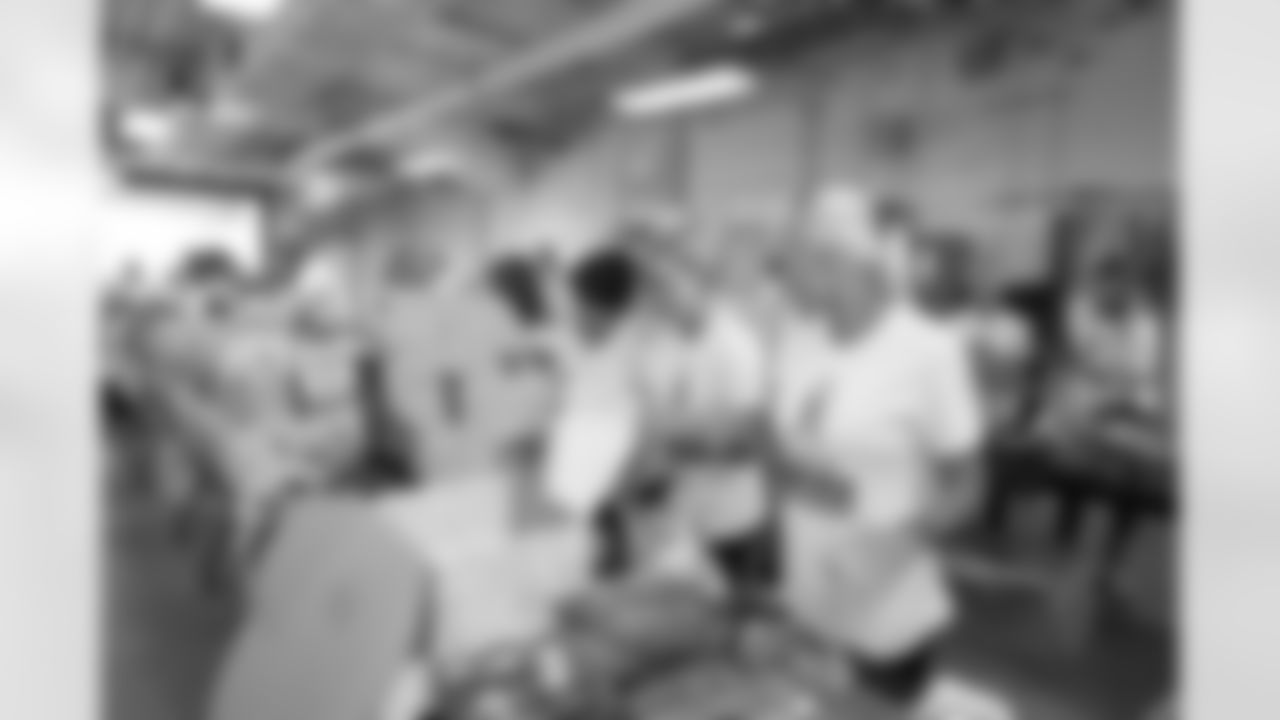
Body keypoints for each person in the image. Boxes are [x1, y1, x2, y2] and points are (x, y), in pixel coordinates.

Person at [763, 187, 1007, 720]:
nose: (780, 277)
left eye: (791, 263)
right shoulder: (796, 338)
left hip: (886, 618)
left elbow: (969, 487)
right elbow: (789, 443)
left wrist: (897, 537)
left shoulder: (927, 351)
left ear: (838, 264)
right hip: (808, 604)